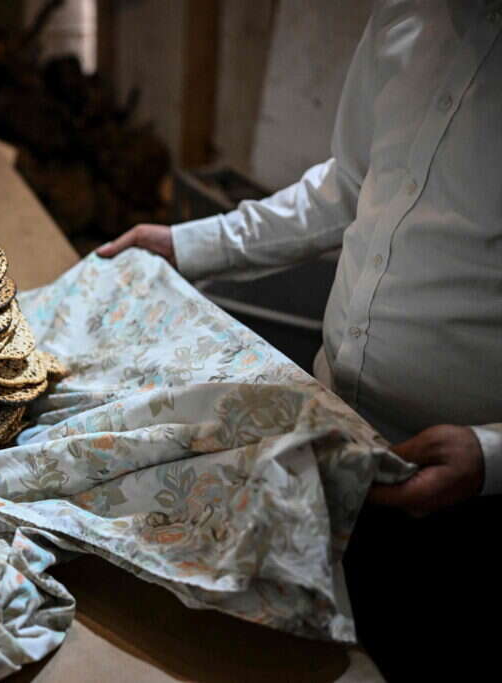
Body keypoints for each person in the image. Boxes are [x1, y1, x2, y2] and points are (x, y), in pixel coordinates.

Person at [97, 2, 501, 680]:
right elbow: (346, 187)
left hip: (470, 510)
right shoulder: (406, 18)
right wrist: (187, 244)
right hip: (333, 444)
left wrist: (493, 454)